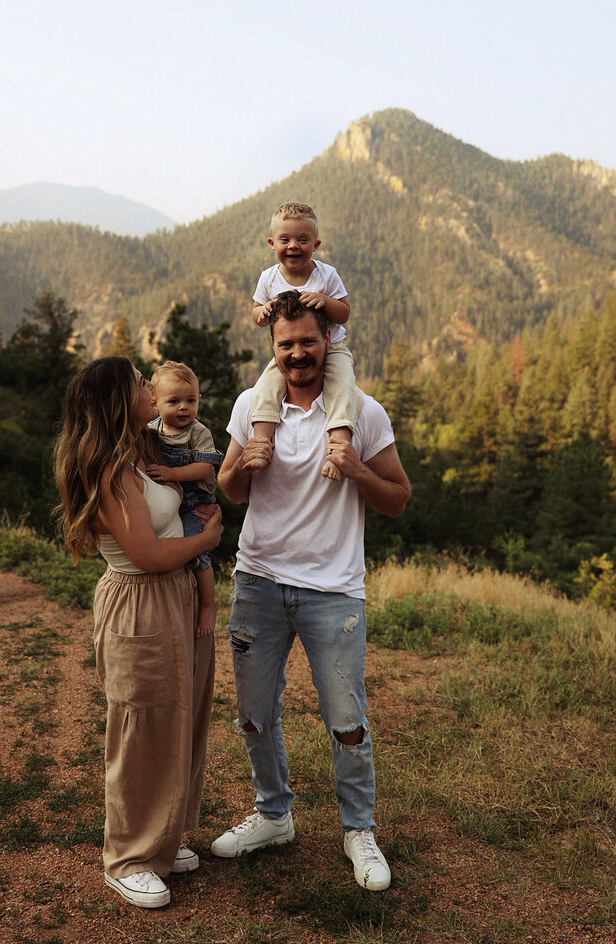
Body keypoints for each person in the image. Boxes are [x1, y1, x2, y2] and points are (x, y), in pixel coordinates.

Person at [211, 291, 411, 891]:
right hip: (259, 582)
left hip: (334, 591)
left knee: (347, 719)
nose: (298, 354)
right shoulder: (253, 404)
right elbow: (231, 491)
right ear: (273, 349)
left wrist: (357, 471)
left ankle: (358, 829)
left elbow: (398, 499)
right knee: (253, 715)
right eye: (286, 345)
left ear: (329, 342)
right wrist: (242, 463)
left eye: (308, 342)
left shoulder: (362, 412)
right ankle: (274, 815)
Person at [53, 355, 222, 909]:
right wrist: (206, 541)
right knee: (141, 726)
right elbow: (148, 555)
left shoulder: (136, 454)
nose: (151, 387)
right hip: (142, 601)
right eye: (140, 383)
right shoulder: (110, 471)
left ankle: (163, 840)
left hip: (174, 597)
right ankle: (128, 857)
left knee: (179, 718)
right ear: (117, 402)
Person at [249, 200, 361, 482]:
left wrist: (325, 301)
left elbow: (344, 313)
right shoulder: (268, 278)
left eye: (303, 240)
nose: (293, 246)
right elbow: (256, 311)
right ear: (271, 242)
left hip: (331, 348)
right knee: (265, 388)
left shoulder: (326, 275)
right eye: (285, 239)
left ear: (316, 244)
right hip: (285, 354)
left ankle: (338, 449)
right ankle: (260, 443)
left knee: (342, 388)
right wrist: (262, 313)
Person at [141, 359, 223, 639]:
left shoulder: (198, 433)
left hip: (194, 502)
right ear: (155, 403)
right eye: (174, 401)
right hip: (168, 500)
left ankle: (208, 606)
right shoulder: (152, 430)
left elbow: (205, 467)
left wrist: (171, 473)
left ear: (199, 400)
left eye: (190, 400)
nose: (183, 407)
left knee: (195, 551)